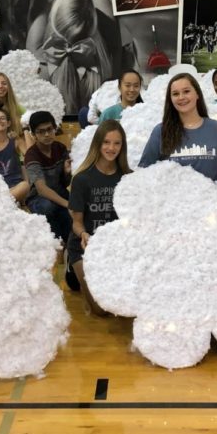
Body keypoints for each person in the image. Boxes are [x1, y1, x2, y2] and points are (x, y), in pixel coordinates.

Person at [68, 120, 131, 315]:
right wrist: (84, 234)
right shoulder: (82, 179)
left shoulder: (128, 178)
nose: (111, 148)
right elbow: (76, 223)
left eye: (117, 143)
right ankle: (71, 267)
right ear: (97, 144)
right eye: (106, 142)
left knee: (122, 306)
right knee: (101, 311)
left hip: (113, 248)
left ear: (122, 146)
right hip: (84, 246)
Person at [138, 73, 217, 182]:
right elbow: (144, 174)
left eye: (186, 91)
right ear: (170, 99)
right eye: (175, 94)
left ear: (197, 94)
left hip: (210, 198)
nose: (181, 97)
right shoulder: (160, 131)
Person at [24, 111, 72, 242]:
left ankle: (69, 245)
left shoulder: (60, 148)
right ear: (33, 135)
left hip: (59, 193)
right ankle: (56, 242)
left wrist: (67, 173)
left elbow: (64, 183)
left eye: (49, 129)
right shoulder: (31, 155)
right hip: (38, 199)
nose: (47, 134)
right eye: (41, 131)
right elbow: (42, 190)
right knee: (49, 207)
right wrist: (67, 204)